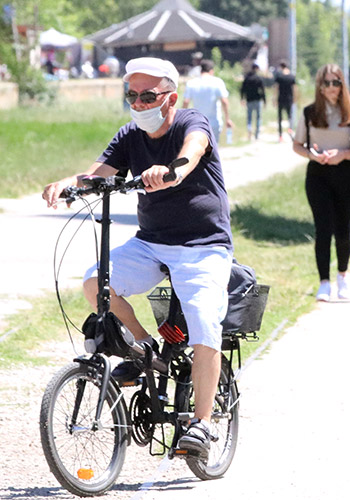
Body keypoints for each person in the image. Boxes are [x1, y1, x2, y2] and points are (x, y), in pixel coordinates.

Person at [41, 57, 232, 460]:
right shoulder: (130, 136)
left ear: (170, 98)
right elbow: (95, 174)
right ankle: (146, 348)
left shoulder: (190, 123)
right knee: (96, 283)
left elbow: (192, 152)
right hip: (152, 242)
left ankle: (202, 423)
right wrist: (67, 183)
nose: (139, 104)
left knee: (202, 318)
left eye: (148, 96)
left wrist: (171, 170)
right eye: (133, 96)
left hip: (203, 245)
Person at [292, 64, 350, 302]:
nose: (331, 88)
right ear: (319, 87)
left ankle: (342, 276)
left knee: (343, 229)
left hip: (345, 173)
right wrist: (313, 155)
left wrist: (343, 154)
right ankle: (324, 282)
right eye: (327, 83)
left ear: (343, 85)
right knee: (323, 229)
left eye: (336, 82)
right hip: (318, 175)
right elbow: (297, 145)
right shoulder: (310, 112)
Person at [182, 59, 233, 146]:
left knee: (199, 148)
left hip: (197, 122)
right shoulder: (217, 82)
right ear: (211, 71)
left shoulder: (191, 83)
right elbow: (224, 101)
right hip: (214, 122)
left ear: (200, 70)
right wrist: (227, 119)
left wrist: (182, 120)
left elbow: (186, 102)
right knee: (213, 148)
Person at [241, 63, 266, 142]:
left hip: (249, 100)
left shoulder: (247, 78)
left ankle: (249, 130)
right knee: (258, 117)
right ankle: (257, 134)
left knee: (249, 117)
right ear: (257, 69)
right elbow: (262, 90)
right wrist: (264, 100)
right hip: (257, 100)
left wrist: (242, 98)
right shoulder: (258, 78)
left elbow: (242, 89)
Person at [275, 61, 297, 141]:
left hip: (281, 98)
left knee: (280, 118)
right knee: (290, 116)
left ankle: (280, 136)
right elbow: (294, 88)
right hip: (289, 98)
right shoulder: (291, 76)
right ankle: (290, 130)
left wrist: (275, 99)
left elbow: (276, 88)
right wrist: (295, 98)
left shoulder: (279, 76)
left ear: (281, 67)